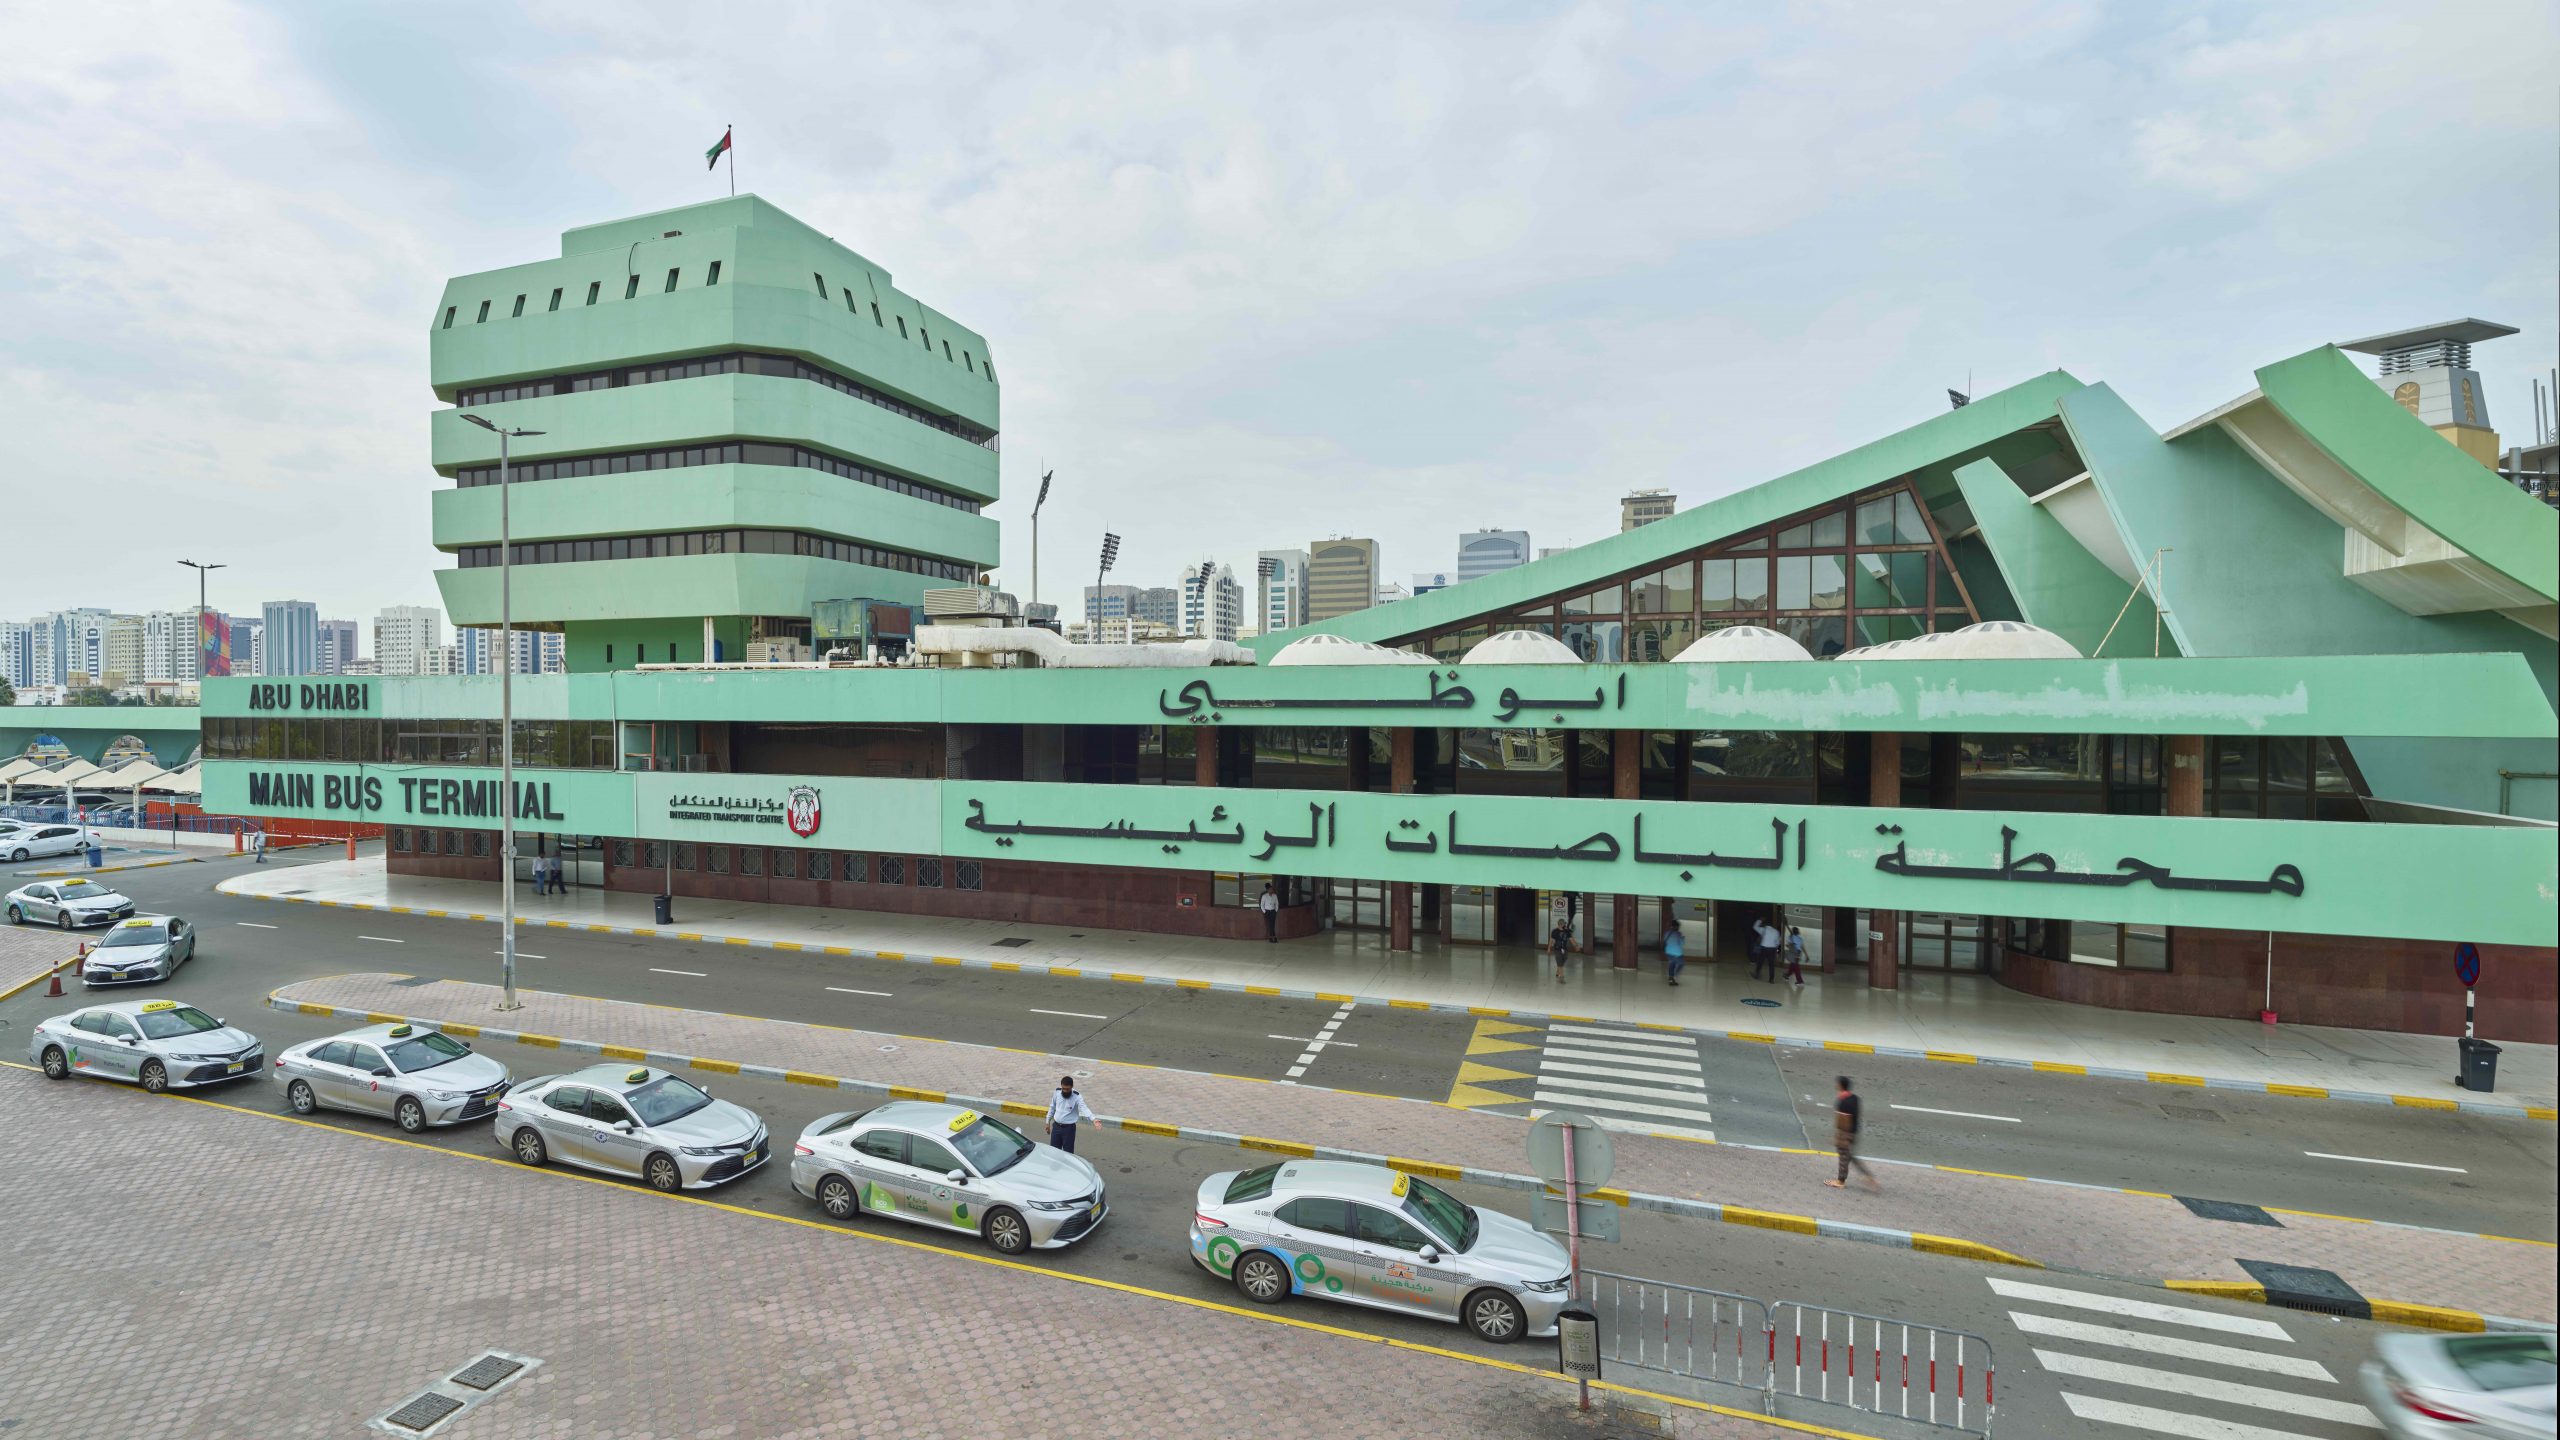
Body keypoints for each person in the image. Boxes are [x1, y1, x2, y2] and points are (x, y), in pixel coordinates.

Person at [1825, 1075, 1878, 1190]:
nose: (1835, 1085)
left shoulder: (1843, 1102)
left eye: (1837, 1083)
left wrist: (1839, 1137)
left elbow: (1843, 1122)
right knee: (1850, 1156)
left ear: (1840, 1086)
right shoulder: (1855, 1098)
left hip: (1846, 1133)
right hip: (1854, 1132)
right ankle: (1868, 1176)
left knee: (1844, 1157)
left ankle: (1840, 1181)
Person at [1044, 1075, 1098, 1154]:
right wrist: (1047, 1122)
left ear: (1072, 1087)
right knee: (1054, 1152)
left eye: (1067, 1089)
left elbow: (1084, 1108)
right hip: (1056, 1127)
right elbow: (1052, 1107)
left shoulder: (1077, 1096)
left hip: (1068, 1129)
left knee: (1068, 1153)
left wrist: (1094, 1119)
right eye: (1063, 1089)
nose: (1065, 1091)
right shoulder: (1057, 1092)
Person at [1663, 918, 1686, 986]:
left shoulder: (1667, 933)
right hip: (1677, 953)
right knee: (1681, 963)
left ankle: (1671, 978)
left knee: (1671, 964)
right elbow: (1682, 943)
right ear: (1677, 926)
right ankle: (1674, 975)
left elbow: (1665, 941)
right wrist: (1683, 938)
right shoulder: (1678, 934)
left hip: (1668, 952)